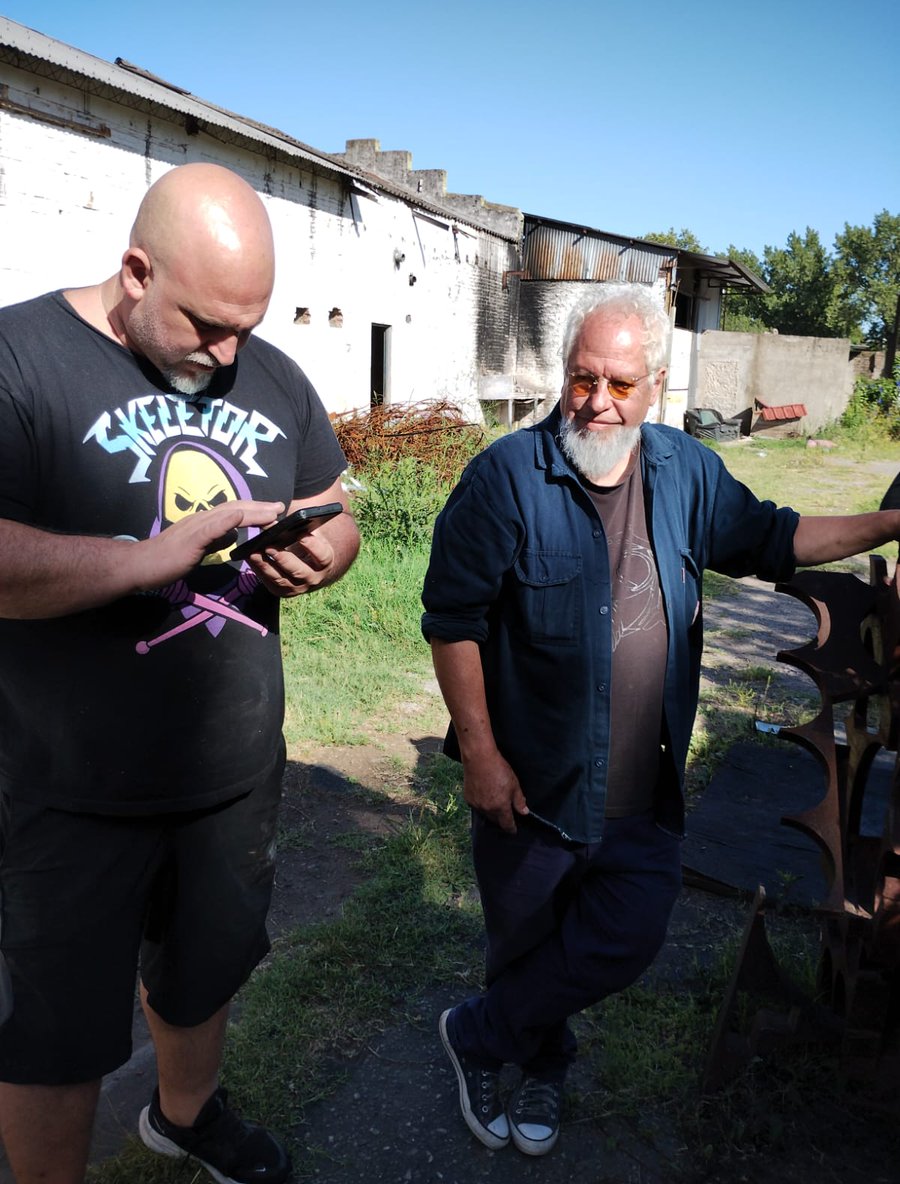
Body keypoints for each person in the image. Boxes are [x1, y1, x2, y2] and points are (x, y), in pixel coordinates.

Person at [421, 282, 900, 1157]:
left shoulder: (687, 472)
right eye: (580, 379)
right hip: (533, 789)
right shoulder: (504, 479)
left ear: (657, 385)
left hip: (644, 792)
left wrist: (888, 524)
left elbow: (781, 537)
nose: (597, 402)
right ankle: (539, 1071)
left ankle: (476, 1036)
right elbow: (452, 620)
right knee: (526, 948)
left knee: (629, 935)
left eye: (620, 383)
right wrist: (481, 754)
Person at [0, 163, 359, 1184]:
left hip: (231, 781)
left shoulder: (274, 376)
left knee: (205, 976)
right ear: (135, 271)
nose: (230, 350)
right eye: (206, 325)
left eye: (247, 324)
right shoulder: (18, 359)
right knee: (53, 1031)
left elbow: (336, 508)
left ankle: (185, 1117)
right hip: (65, 794)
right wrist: (148, 557)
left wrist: (329, 553)